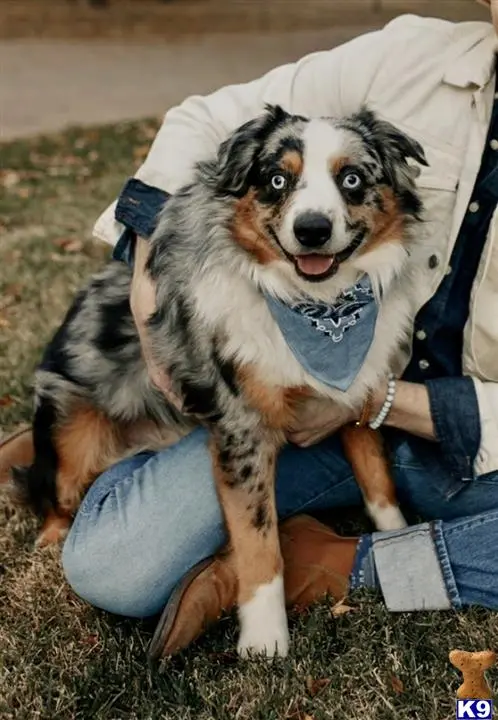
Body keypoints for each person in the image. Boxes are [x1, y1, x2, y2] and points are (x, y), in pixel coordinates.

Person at [1, 0, 497, 660]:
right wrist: (153, 276)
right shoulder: (412, 56)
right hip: (291, 401)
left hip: (467, 446)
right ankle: (82, 444)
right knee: (115, 565)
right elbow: (203, 118)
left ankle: (333, 561)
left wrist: (376, 400)